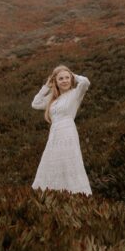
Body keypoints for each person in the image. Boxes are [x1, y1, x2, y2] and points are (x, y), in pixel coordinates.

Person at [31, 64, 92, 195]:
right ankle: (53, 194)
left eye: (66, 78)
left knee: (69, 162)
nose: (64, 81)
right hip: (54, 134)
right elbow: (35, 104)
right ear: (56, 82)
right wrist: (47, 86)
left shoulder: (75, 94)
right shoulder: (52, 99)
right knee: (52, 163)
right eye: (60, 79)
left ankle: (76, 194)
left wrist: (72, 74)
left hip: (68, 132)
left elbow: (85, 82)